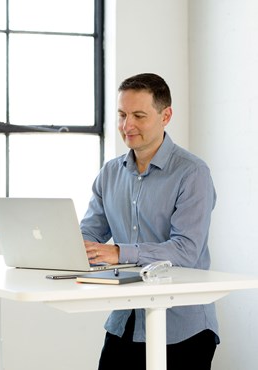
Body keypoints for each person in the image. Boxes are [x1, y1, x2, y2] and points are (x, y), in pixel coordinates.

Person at [80, 73, 219, 370]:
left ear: (165, 115)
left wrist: (120, 252)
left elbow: (185, 250)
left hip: (183, 328)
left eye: (138, 116)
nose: (127, 126)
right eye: (122, 115)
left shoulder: (192, 173)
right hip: (126, 321)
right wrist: (65, 245)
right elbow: (88, 234)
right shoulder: (110, 173)